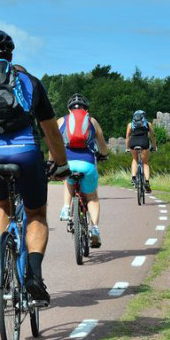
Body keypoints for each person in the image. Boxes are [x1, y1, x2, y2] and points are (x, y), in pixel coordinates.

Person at [0, 30, 69, 306]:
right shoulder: (29, 81)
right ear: (11, 56)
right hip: (26, 152)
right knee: (35, 214)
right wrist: (61, 164)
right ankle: (34, 276)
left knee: (0, 207)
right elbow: (51, 132)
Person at [56, 94, 108, 248]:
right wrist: (104, 155)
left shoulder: (61, 121)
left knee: (68, 179)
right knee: (92, 197)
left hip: (69, 162)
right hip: (87, 163)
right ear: (86, 108)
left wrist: (54, 161)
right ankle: (95, 229)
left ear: (69, 109)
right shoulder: (92, 121)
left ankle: (66, 208)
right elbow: (102, 144)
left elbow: (54, 142)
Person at [125, 109, 157, 193]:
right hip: (144, 142)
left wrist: (127, 147)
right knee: (145, 163)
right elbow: (152, 136)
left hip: (133, 142)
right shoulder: (148, 124)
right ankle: (147, 182)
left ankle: (133, 178)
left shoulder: (130, 124)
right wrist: (154, 146)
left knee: (135, 159)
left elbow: (127, 136)